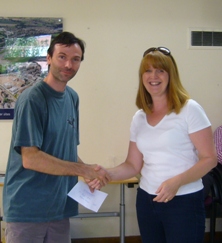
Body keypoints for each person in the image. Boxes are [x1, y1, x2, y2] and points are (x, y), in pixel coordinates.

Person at [89, 47, 217, 242]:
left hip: (183, 201)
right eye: (147, 71)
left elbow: (209, 159)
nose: (153, 76)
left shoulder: (189, 109)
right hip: (147, 201)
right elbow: (132, 165)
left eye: (160, 70)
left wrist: (177, 182)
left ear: (170, 75)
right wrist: (106, 174)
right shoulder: (139, 117)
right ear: (142, 77)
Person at [3, 31, 110, 243]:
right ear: (49, 58)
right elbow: (30, 158)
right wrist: (82, 170)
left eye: (75, 59)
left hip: (60, 208)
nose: (68, 65)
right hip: (28, 211)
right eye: (62, 56)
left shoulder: (72, 98)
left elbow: (67, 151)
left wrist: (90, 171)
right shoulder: (32, 99)